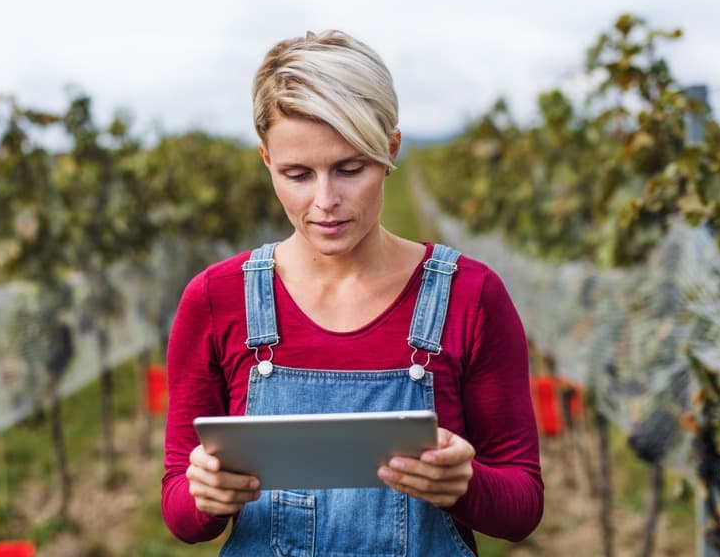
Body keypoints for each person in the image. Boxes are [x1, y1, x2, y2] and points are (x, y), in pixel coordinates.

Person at [161, 29, 543, 555]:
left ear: (391, 149)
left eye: (350, 168)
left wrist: (466, 486)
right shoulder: (215, 300)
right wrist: (204, 494)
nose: (325, 201)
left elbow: (522, 504)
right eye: (297, 173)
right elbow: (180, 513)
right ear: (266, 160)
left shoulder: (471, 297)